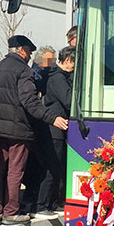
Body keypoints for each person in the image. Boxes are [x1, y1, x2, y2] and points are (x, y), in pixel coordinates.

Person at [0, 35, 68, 225]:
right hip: (17, 129)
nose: (30, 56)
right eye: (29, 52)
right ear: (22, 50)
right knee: (15, 171)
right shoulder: (23, 71)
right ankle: (11, 212)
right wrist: (52, 117)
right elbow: (30, 101)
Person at [42, 46, 75, 212]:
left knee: (59, 165)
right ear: (67, 60)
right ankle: (44, 203)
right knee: (53, 166)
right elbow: (68, 100)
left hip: (60, 128)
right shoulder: (57, 78)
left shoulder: (62, 76)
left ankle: (56, 201)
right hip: (54, 129)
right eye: (74, 63)